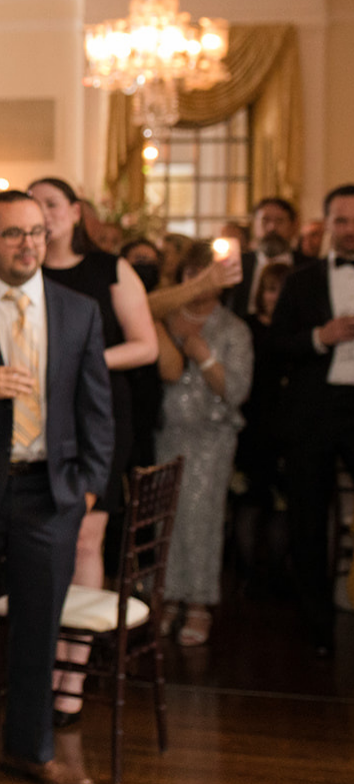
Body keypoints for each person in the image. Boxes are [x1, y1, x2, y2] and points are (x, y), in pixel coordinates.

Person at [0, 190, 113, 784]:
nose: (29, 245)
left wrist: (90, 487)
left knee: (40, 629)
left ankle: (31, 750)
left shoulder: (78, 310)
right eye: (14, 234)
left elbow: (96, 404)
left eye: (38, 233)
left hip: (51, 492)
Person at [28, 177, 157, 725]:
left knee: (86, 537)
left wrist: (82, 360)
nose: (44, 218)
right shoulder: (22, 273)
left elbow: (146, 344)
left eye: (52, 206)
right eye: (34, 209)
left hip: (96, 414)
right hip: (38, 423)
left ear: (75, 213)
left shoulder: (110, 269)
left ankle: (72, 678)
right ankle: (36, 667)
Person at [155, 241, 253, 646]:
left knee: (202, 519)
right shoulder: (164, 316)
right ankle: (167, 598)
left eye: (204, 273)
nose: (197, 281)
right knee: (166, 518)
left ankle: (198, 604)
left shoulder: (232, 328)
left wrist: (204, 356)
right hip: (167, 432)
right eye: (190, 273)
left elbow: (237, 391)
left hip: (211, 438)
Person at [270, 183, 354, 655]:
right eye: (340, 220)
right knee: (307, 520)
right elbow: (277, 344)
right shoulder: (302, 280)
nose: (349, 230)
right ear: (326, 226)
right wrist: (321, 336)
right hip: (314, 414)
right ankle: (316, 630)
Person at [233, 261, 291, 596]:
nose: (275, 296)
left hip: (287, 429)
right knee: (249, 502)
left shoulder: (298, 330)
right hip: (252, 427)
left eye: (282, 289)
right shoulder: (247, 328)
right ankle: (247, 574)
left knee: (282, 505)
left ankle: (276, 575)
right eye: (270, 288)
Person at [226, 197, 311, 318]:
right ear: (254, 225)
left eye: (280, 221)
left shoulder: (308, 266)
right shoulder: (237, 265)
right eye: (265, 220)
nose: (272, 227)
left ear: (293, 226)